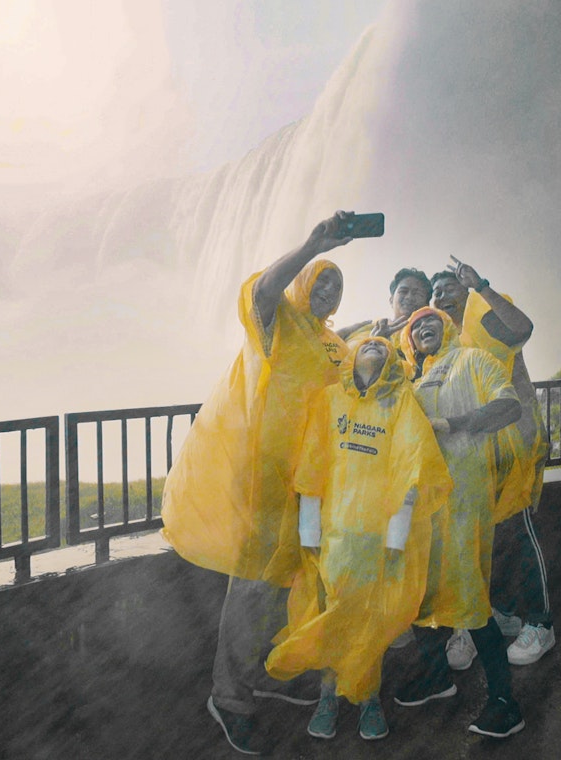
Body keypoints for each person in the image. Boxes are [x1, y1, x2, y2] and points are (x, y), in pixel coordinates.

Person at [160, 211, 357, 756]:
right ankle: (229, 696)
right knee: (250, 585)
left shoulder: (332, 343)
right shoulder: (278, 318)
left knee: (286, 580)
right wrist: (312, 242)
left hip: (311, 483)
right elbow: (265, 287)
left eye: (337, 283)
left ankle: (262, 675)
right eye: (322, 278)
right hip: (265, 478)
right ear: (303, 284)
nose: (330, 289)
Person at [264, 336, 451, 742]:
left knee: (369, 618)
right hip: (334, 534)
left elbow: (412, 472)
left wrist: (398, 536)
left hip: (376, 535)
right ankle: (328, 696)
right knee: (332, 615)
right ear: (352, 355)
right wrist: (309, 531)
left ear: (391, 363)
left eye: (383, 349)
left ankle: (368, 699)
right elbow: (312, 465)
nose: (375, 350)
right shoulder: (329, 399)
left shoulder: (400, 403)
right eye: (367, 345)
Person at [393, 307, 526, 739]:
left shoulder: (472, 360)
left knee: (470, 596)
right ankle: (438, 678)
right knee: (421, 591)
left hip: (465, 500)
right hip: (421, 507)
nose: (422, 326)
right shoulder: (410, 383)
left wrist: (455, 424)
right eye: (414, 325)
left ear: (447, 326)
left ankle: (505, 701)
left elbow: (509, 406)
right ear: (408, 340)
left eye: (431, 319)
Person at [430, 262, 556, 668]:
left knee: (517, 532)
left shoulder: (483, 319)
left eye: (450, 288)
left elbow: (522, 329)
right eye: (436, 293)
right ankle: (494, 614)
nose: (442, 297)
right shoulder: (444, 344)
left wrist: (481, 285)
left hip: (511, 444)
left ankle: (541, 623)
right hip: (472, 455)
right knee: (479, 539)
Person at [336, 267, 432, 345]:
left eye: (417, 293)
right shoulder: (364, 330)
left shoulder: (431, 336)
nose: (409, 297)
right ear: (391, 300)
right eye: (403, 291)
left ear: (427, 304)